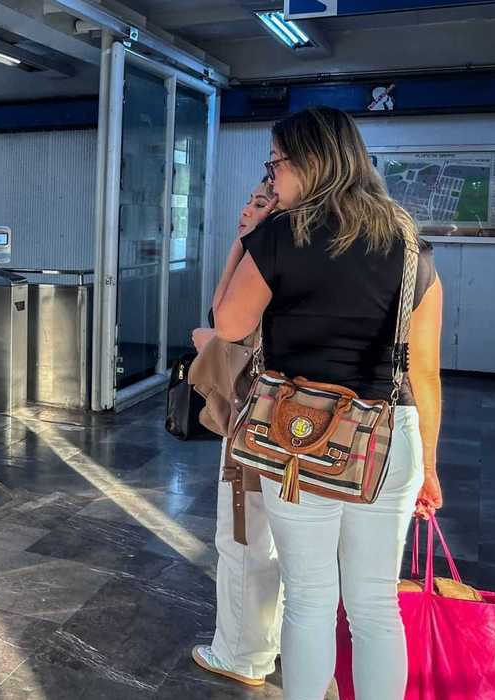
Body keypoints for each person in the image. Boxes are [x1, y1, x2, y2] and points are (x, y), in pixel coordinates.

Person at [211, 106, 443, 700]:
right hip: (391, 438)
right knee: (375, 605)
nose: (272, 178)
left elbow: (229, 325)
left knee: (310, 599)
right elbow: (426, 373)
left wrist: (248, 239)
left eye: (276, 164)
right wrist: (430, 470)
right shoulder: (408, 243)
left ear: (311, 163)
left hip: (296, 436)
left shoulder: (281, 236)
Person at [187, 177, 283, 687]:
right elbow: (218, 312)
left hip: (257, 414)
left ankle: (242, 653)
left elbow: (222, 324)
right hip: (288, 416)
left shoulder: (277, 253)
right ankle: (276, 639)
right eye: (248, 200)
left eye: (262, 201)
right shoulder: (273, 249)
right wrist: (240, 242)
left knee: (244, 535)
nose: (249, 209)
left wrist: (248, 245)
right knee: (276, 537)